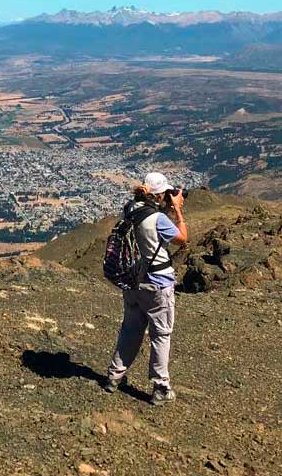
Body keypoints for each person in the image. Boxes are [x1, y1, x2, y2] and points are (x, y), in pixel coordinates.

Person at [104, 172, 188, 405]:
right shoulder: (158, 219)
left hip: (132, 281)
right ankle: (160, 387)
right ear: (160, 195)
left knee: (131, 329)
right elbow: (182, 238)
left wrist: (165, 206)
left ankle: (114, 376)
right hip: (157, 283)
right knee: (161, 334)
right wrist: (178, 210)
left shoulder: (129, 209)